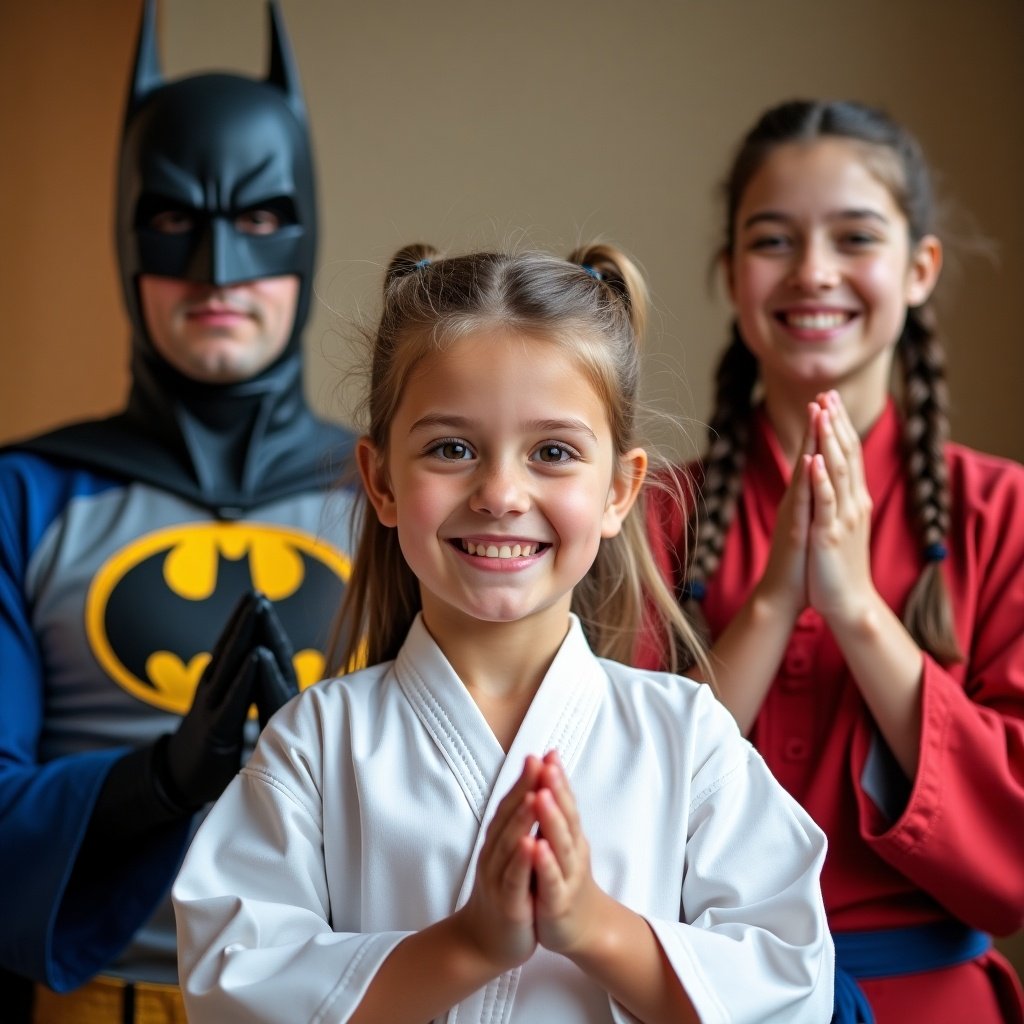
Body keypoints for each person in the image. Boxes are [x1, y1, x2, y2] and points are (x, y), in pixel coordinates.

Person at [172, 241, 835, 1023]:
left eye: (553, 452)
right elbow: (234, 986)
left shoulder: (686, 741)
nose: (500, 492)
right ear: (381, 480)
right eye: (452, 449)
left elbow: (788, 986)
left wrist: (593, 926)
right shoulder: (316, 745)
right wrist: (470, 945)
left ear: (620, 490)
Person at [0, 2, 356, 1021]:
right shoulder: (25, 497)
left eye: (256, 221)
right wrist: (154, 783)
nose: (217, 273)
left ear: (304, 232)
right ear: (127, 235)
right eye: (173, 222)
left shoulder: (386, 494)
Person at [641, 98, 1024, 1023]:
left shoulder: (1005, 512)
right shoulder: (647, 516)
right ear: (732, 274)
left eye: (855, 238)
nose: (813, 273)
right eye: (773, 241)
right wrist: (774, 603)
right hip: (703, 999)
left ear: (919, 267)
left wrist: (854, 609)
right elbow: (616, 816)